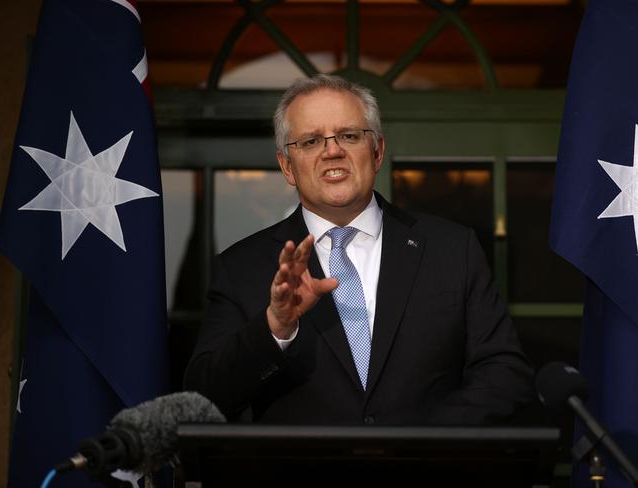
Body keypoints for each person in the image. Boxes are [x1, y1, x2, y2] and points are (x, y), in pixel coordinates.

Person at [184, 74, 533, 425]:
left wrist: (421, 446)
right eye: (310, 141)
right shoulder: (241, 267)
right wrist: (274, 327)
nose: (332, 150)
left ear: (377, 151)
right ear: (287, 166)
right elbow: (204, 398)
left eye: (349, 136)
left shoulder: (453, 249)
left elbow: (504, 375)